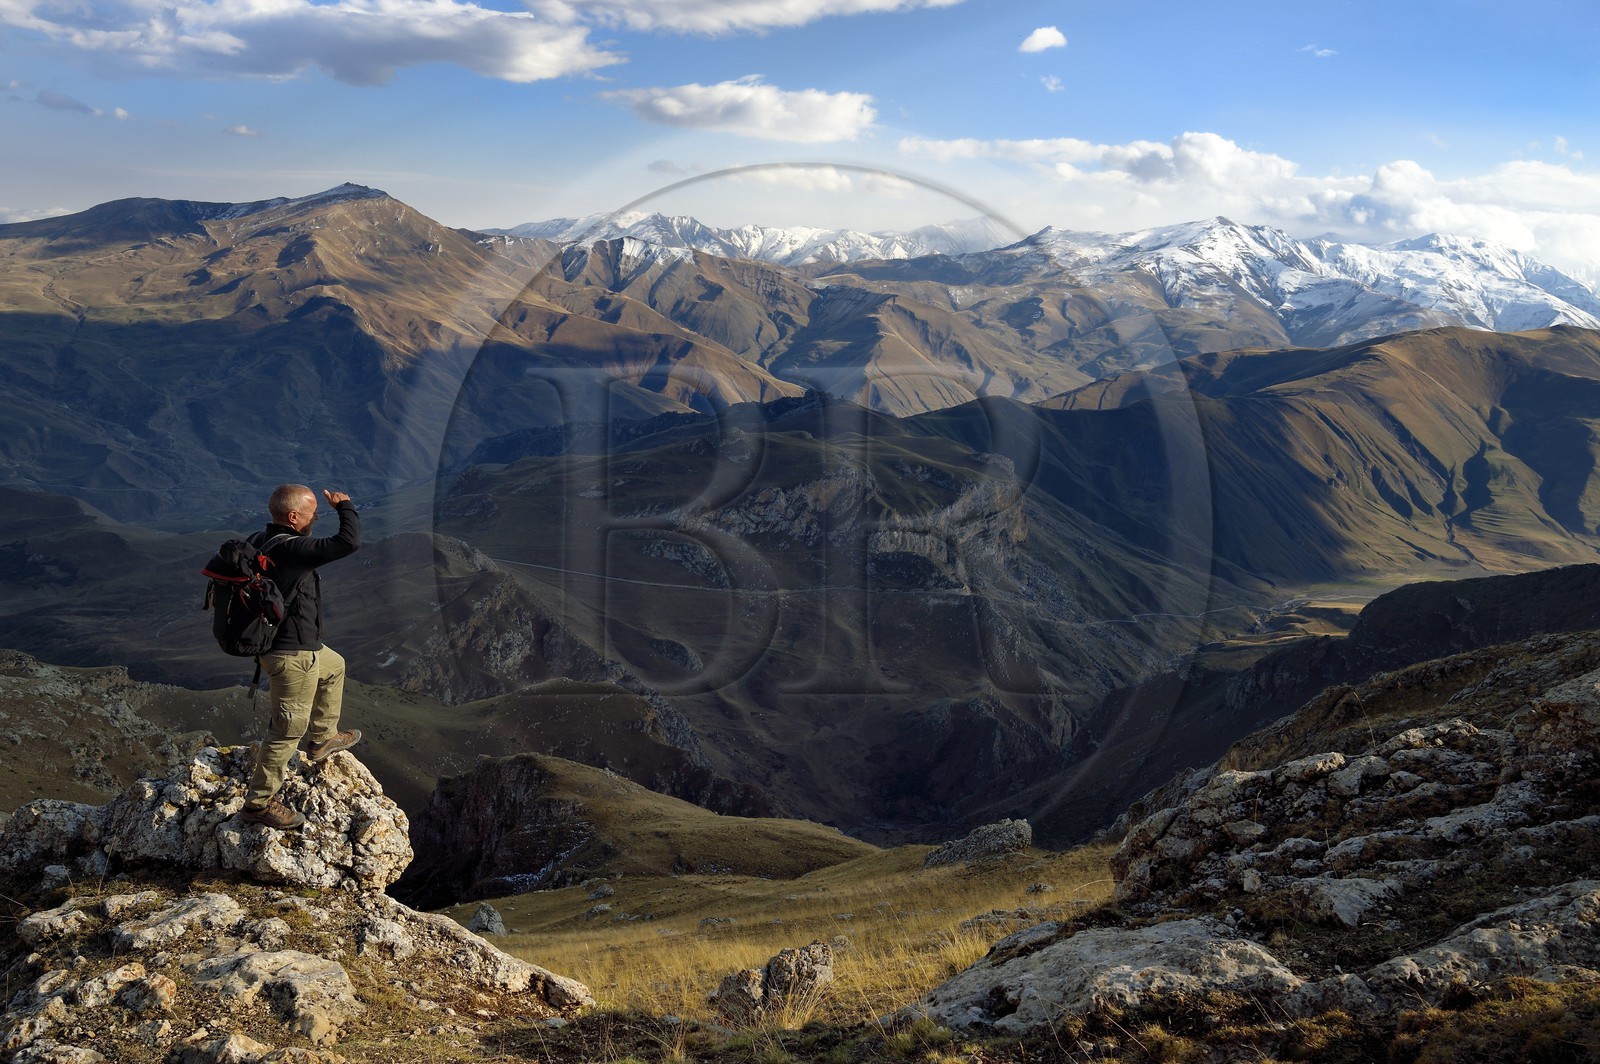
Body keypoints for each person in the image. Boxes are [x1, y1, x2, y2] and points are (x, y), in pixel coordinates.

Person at [239, 483, 363, 830]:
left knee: (334, 666)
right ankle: (258, 804)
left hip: (295, 647)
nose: (316, 516)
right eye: (312, 511)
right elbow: (347, 543)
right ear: (294, 517)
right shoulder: (294, 549)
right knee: (286, 731)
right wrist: (346, 506)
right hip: (291, 655)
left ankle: (323, 737)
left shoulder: (259, 539)